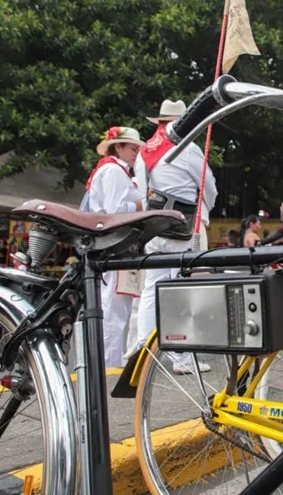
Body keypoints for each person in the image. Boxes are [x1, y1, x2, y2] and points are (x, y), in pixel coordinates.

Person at [134, 100, 218, 375]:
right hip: (184, 227)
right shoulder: (187, 149)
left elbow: (141, 192)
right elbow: (209, 188)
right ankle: (182, 358)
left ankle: (145, 351)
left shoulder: (144, 152)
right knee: (184, 290)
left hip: (153, 225)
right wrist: (203, 213)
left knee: (152, 289)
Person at [84, 126, 146, 368]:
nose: (136, 153)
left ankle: (109, 361)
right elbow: (115, 211)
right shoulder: (113, 171)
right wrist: (142, 206)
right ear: (118, 147)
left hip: (111, 243)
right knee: (114, 312)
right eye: (132, 148)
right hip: (115, 243)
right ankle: (109, 365)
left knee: (114, 309)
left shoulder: (110, 170)